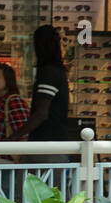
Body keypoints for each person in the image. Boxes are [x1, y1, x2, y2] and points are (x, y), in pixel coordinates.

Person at [9, 25, 72, 163]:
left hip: (47, 145)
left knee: (32, 183)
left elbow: (41, 113)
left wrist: (14, 136)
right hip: (52, 144)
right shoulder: (57, 72)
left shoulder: (48, 73)